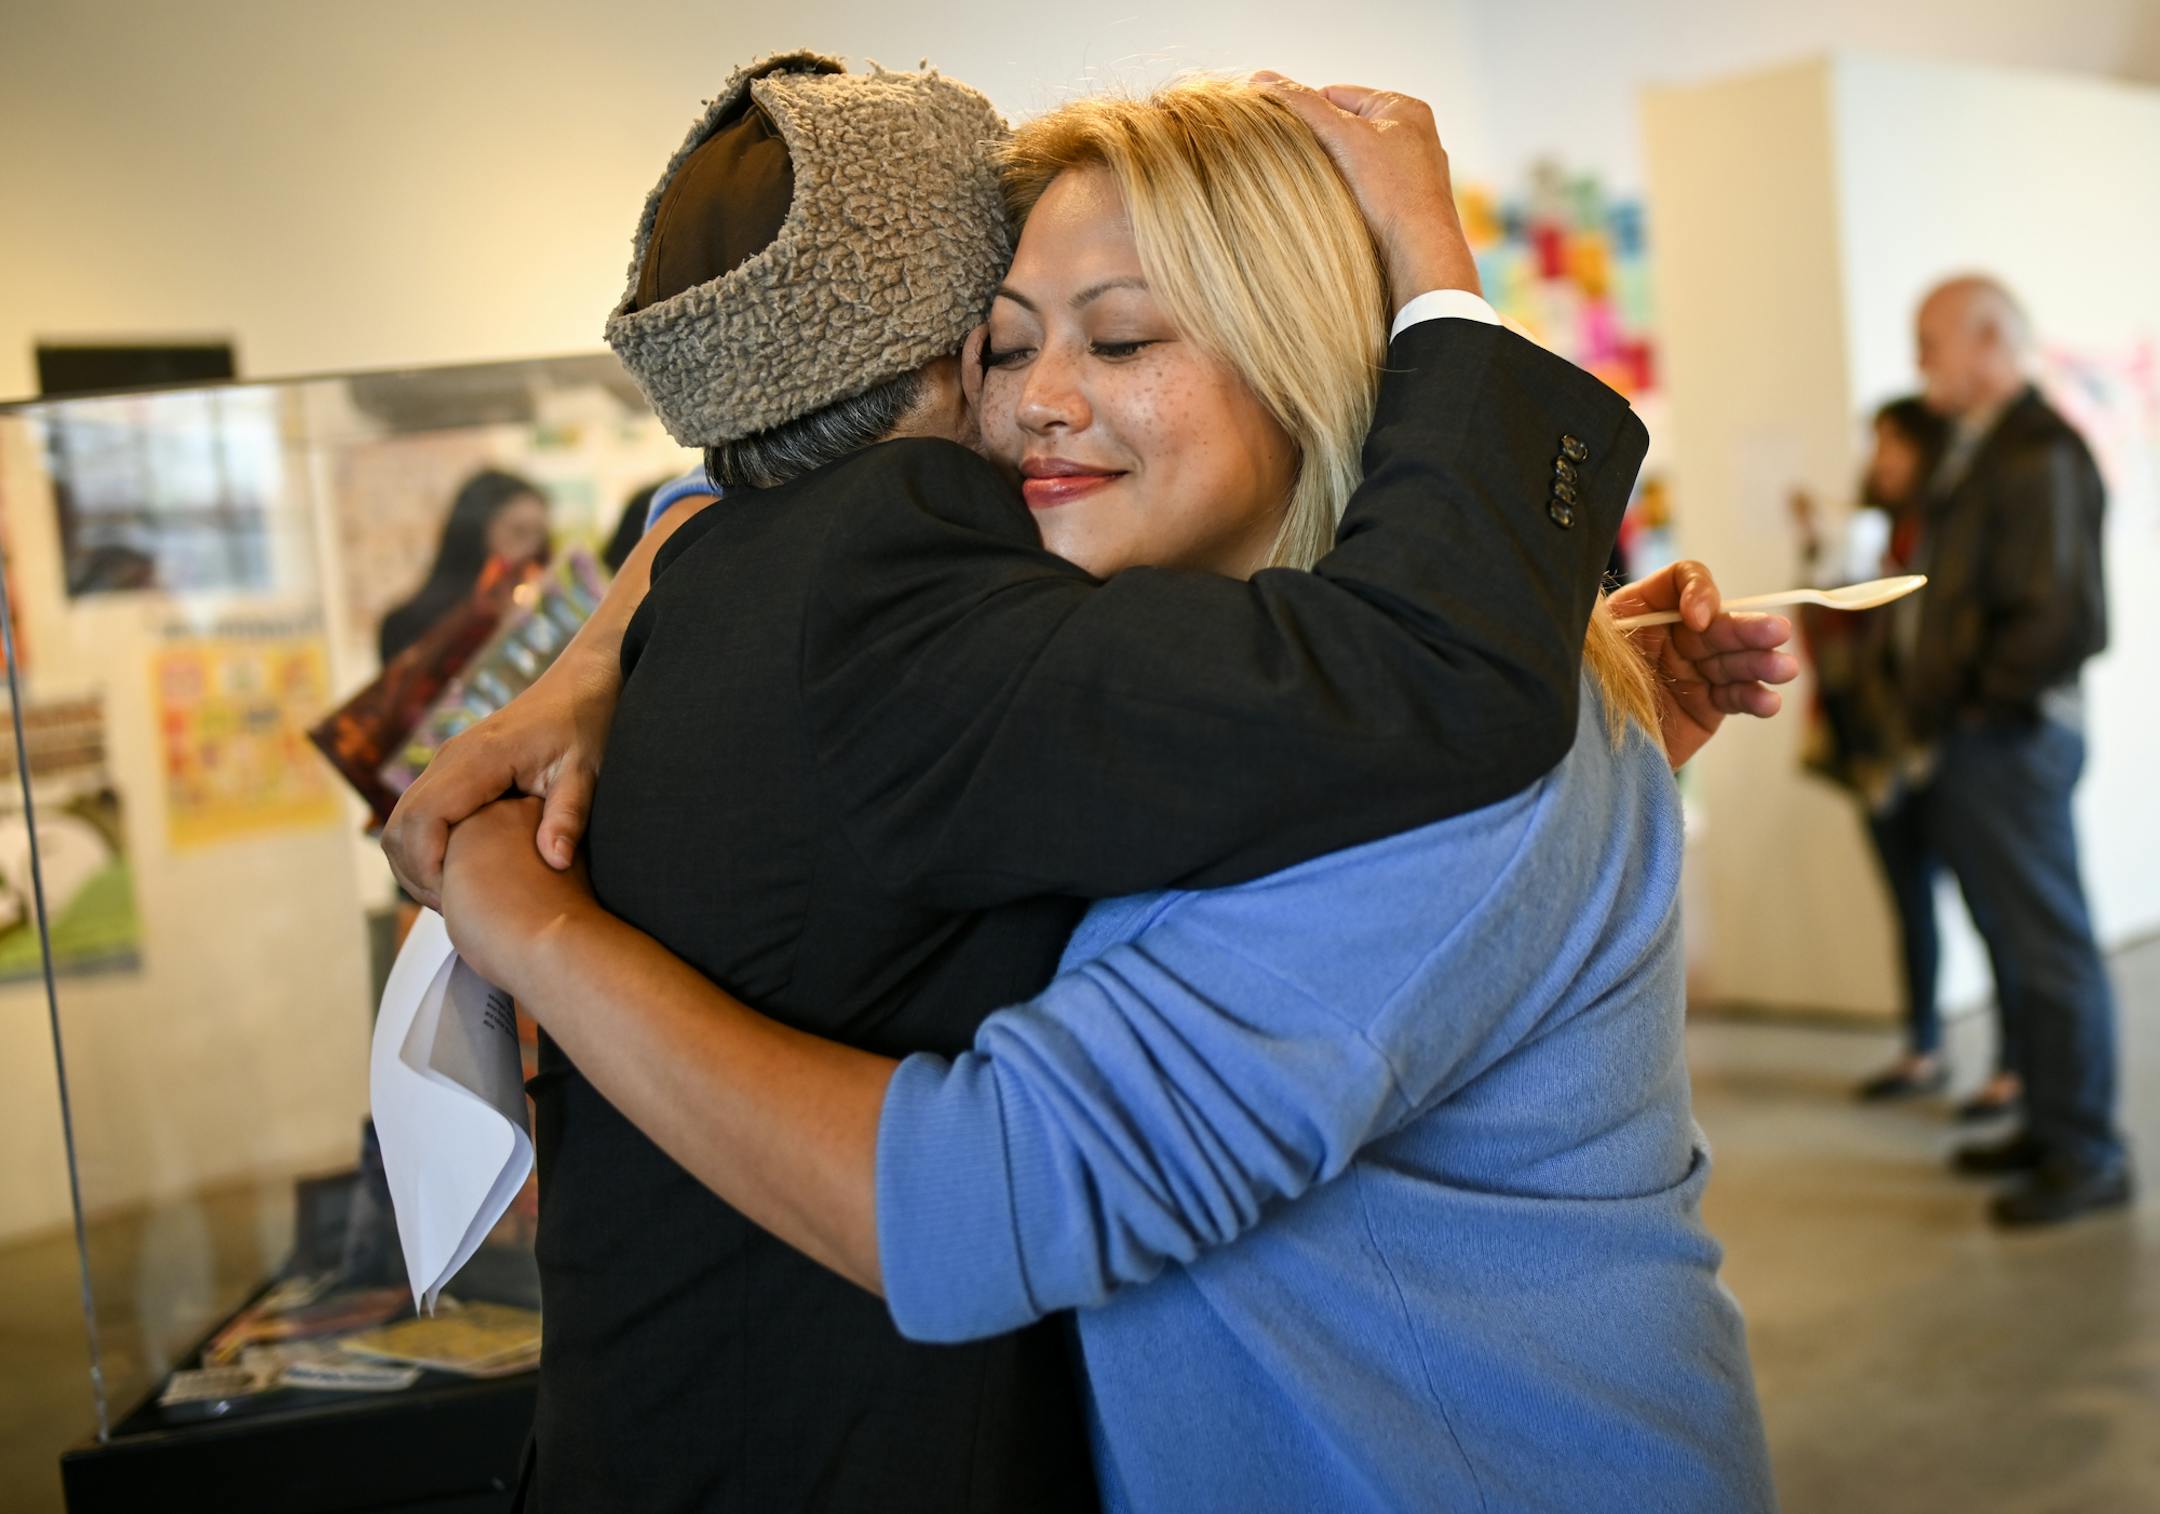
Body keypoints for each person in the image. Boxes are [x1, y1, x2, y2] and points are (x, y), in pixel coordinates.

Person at [434, 75, 1779, 1513]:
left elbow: (986, 1202)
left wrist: (539, 933)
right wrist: (598, 649)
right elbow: (770, 486)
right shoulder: (1142, 661)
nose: (1039, 402)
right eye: (1004, 348)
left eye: (1123, 338)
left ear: (1309, 357)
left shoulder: (1457, 764)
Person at [1902, 275, 2127, 1226]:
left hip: (2013, 734)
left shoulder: (2040, 451)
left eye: (1931, 341)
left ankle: (2087, 1153)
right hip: (1983, 733)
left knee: (2047, 942)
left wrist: (1980, 704)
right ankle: (2047, 1122)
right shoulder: (1984, 448)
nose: (1920, 363)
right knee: (2016, 943)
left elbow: (2062, 617)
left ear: (1990, 338)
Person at [1794, 398, 2022, 1114]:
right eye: (1877, 442)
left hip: (1946, 748)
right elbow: (1830, 644)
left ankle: (2015, 1064)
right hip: (1877, 755)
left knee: (1991, 908)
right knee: (1910, 906)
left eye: (1896, 441)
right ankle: (1924, 1048)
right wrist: (1819, 558)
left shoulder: (1950, 531)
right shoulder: (1867, 530)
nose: (1882, 457)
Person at [377, 468, 551, 663]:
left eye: (540, 536)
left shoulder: (542, 613)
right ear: (476, 533)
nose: (532, 549)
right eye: (518, 532)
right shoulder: (410, 623)